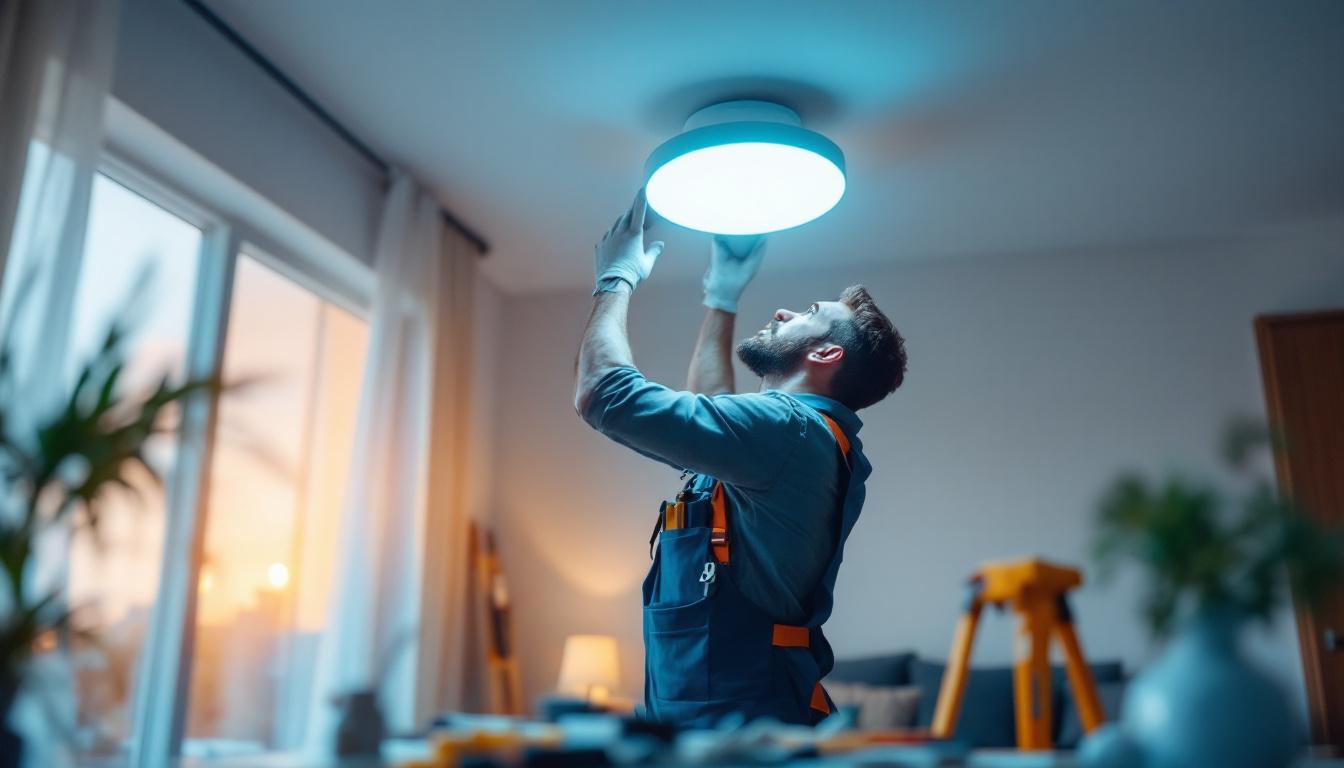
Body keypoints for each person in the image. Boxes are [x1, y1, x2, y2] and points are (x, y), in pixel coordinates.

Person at [573, 189, 907, 727]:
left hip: (740, 730)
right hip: (720, 722)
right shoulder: (798, 438)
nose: (783, 311)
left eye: (809, 314)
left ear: (825, 353)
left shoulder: (790, 430)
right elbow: (714, 404)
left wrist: (615, 280)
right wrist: (721, 296)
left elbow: (602, 393)